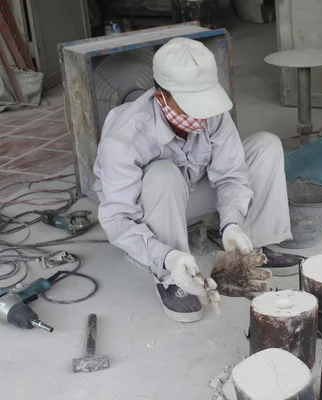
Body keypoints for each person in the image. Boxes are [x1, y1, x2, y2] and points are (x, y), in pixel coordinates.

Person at [93, 37, 301, 322]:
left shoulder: (212, 113)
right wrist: (165, 256)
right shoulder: (125, 137)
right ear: (161, 97)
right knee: (163, 173)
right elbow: (117, 218)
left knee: (266, 145)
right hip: (152, 206)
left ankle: (252, 247)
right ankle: (171, 276)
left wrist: (231, 223)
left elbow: (232, 174)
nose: (202, 116)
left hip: (193, 192)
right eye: (192, 104)